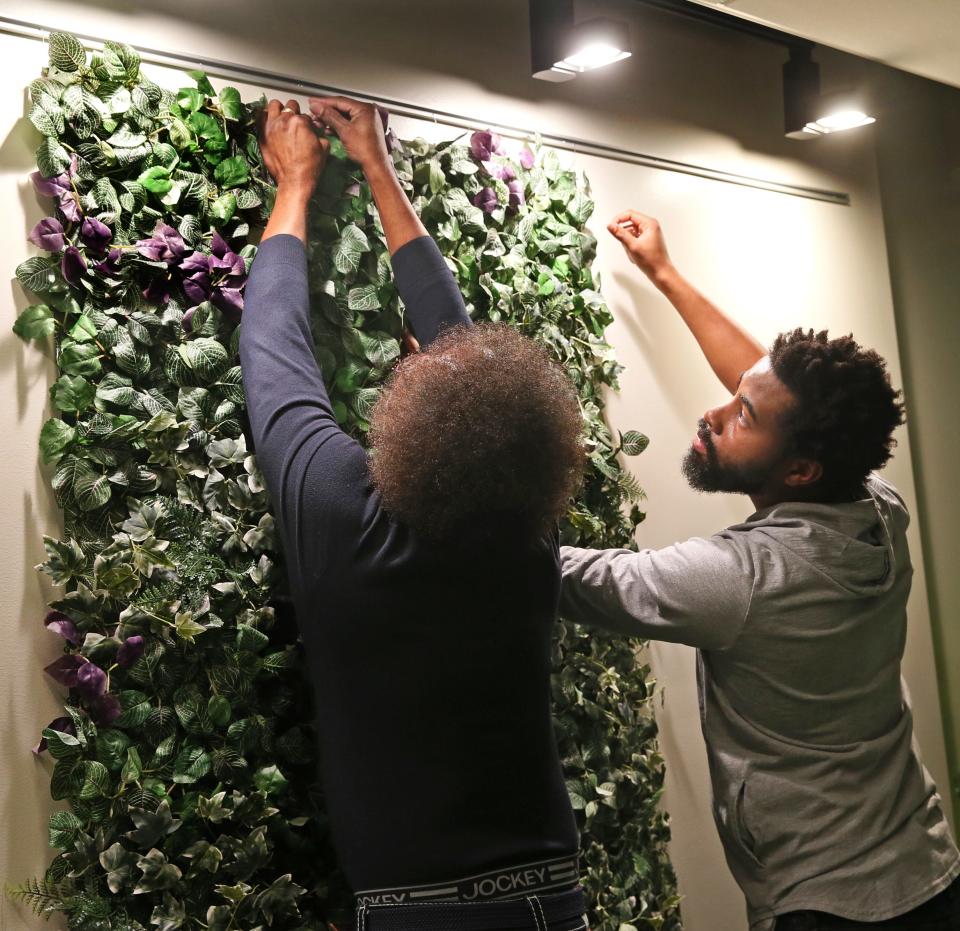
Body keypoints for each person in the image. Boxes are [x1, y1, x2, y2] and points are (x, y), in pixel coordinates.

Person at [240, 96, 589, 931]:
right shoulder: (527, 532)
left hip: (417, 910)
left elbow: (274, 358)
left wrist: (294, 185)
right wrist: (381, 171)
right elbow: (469, 359)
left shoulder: (344, 518)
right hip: (550, 894)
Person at [559, 210, 960, 931]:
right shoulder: (878, 511)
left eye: (740, 416)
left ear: (801, 469)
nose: (714, 415)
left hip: (826, 908)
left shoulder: (739, 579)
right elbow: (779, 404)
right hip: (926, 870)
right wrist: (664, 273)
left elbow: (558, 575)